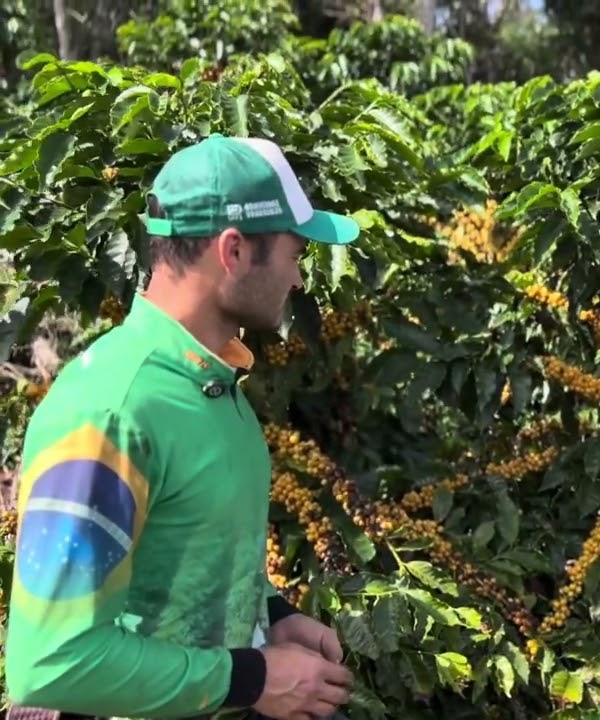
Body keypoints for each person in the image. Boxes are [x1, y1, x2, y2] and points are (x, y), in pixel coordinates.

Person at [5, 134, 361, 720]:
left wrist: (272, 617)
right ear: (235, 252)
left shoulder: (212, 384)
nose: (298, 279)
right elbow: (52, 662)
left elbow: (180, 555)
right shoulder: (112, 413)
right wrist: (253, 678)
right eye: (294, 253)